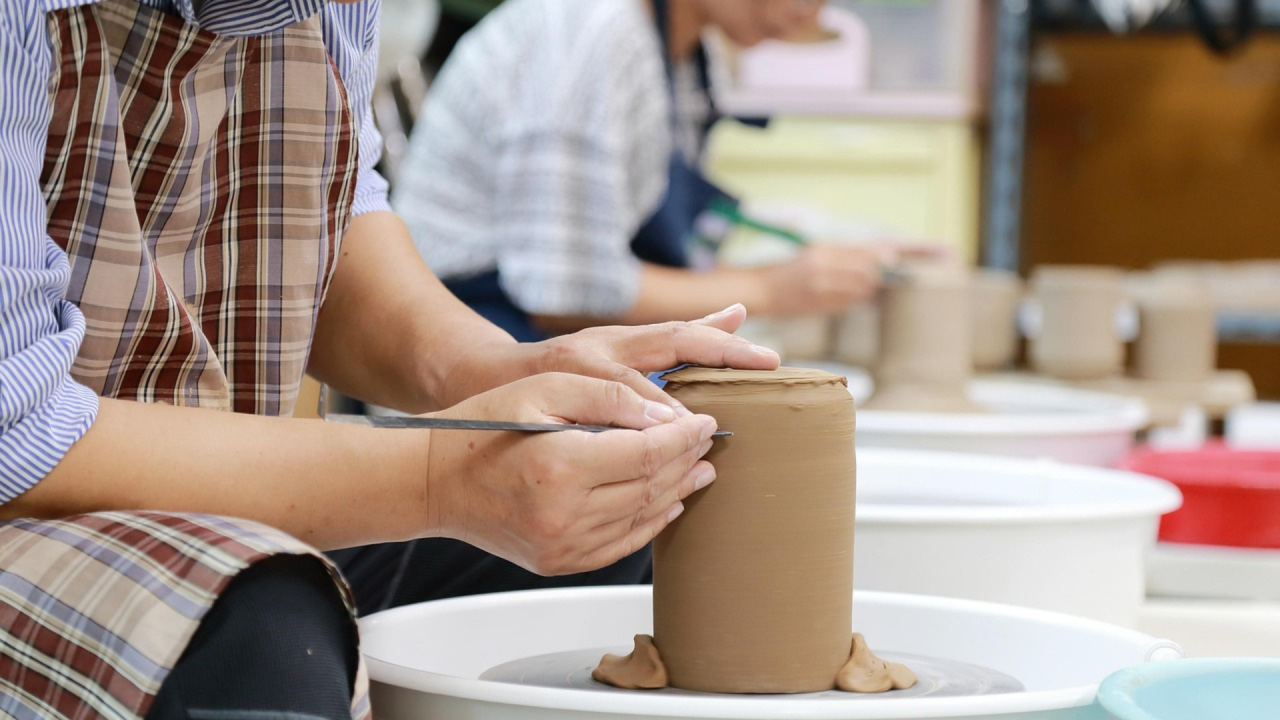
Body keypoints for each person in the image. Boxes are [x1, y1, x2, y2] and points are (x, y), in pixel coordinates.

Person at [0, 1, 779, 717]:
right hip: (31, 507)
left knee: (606, 520)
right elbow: (16, 432)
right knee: (261, 627)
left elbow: (328, 216)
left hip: (214, 489)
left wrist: (499, 374)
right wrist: (444, 477)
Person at [394, 0, 892, 344]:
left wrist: (845, 254)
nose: (814, 9)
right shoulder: (591, 32)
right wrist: (769, 290)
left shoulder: (693, 54)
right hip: (470, 346)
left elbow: (660, 248)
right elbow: (564, 296)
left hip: (554, 340)